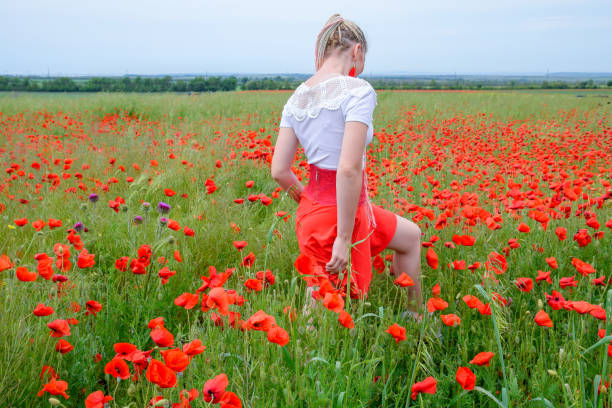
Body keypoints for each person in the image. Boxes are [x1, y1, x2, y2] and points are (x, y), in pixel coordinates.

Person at [271, 14, 422, 315]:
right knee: (322, 304)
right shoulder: (357, 91)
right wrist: (342, 236)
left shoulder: (298, 98)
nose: (360, 67)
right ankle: (413, 320)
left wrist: (307, 199)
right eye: (362, 59)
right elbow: (349, 168)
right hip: (343, 215)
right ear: (356, 52)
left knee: (410, 235)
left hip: (315, 208)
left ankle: (415, 319)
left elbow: (279, 170)